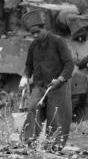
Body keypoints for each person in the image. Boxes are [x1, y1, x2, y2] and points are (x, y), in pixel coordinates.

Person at [19, 9, 74, 150]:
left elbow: (69, 64)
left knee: (55, 114)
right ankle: (28, 141)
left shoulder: (58, 42)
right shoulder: (33, 46)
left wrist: (60, 79)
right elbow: (28, 65)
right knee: (33, 108)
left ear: (44, 29)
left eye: (38, 32)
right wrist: (25, 77)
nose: (36, 35)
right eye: (33, 34)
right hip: (40, 84)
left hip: (58, 85)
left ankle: (54, 145)